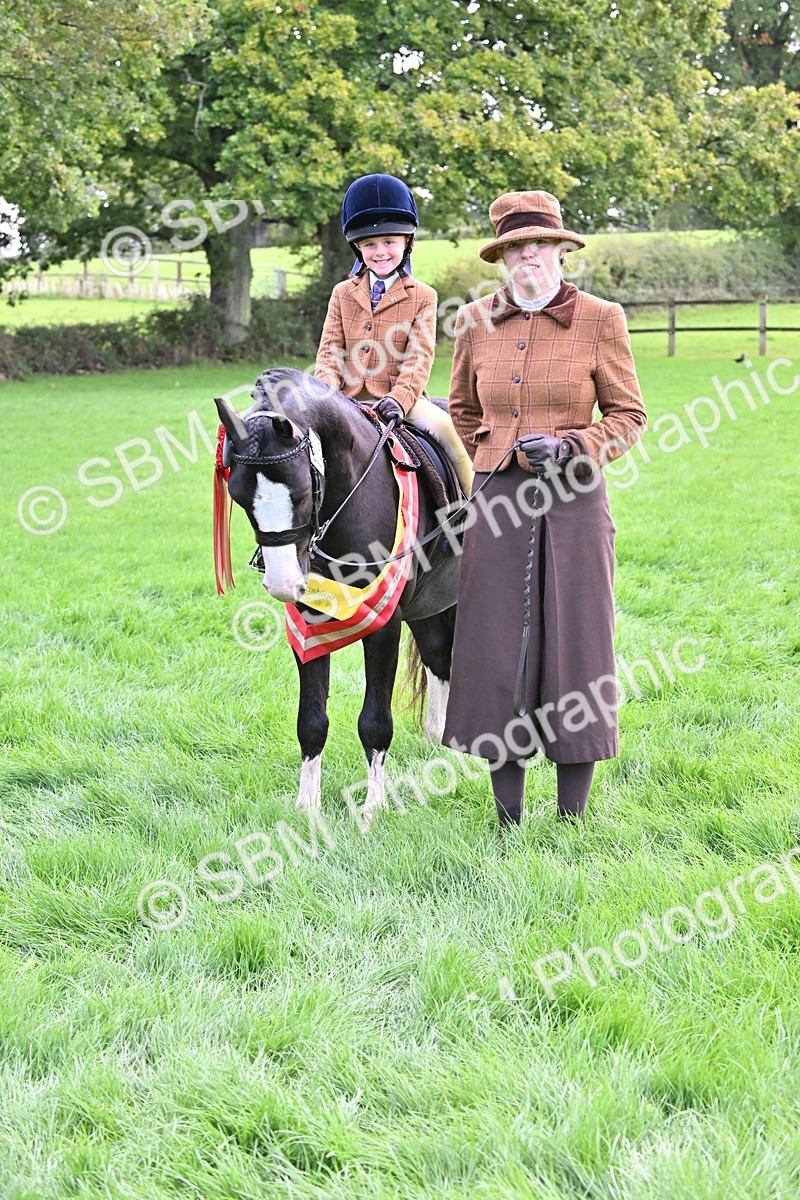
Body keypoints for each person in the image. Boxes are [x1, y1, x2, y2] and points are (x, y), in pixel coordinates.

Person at [442, 190, 647, 829]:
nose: (528, 255)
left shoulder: (601, 319)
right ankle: (507, 815)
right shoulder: (473, 321)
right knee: (497, 645)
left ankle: (571, 818)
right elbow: (461, 410)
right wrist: (496, 452)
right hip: (497, 498)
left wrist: (571, 446)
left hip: (576, 497)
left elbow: (628, 416)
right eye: (514, 247)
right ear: (503, 256)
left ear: (560, 249)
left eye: (539, 244)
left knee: (576, 642)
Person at [314, 173, 474, 496]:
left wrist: (399, 400)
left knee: (447, 429)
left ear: (407, 242)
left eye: (389, 242)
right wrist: (328, 397)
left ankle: (475, 511)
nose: (380, 251)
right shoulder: (342, 293)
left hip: (401, 401)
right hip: (346, 399)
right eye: (370, 244)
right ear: (358, 247)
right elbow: (330, 352)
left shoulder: (423, 296)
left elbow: (419, 357)